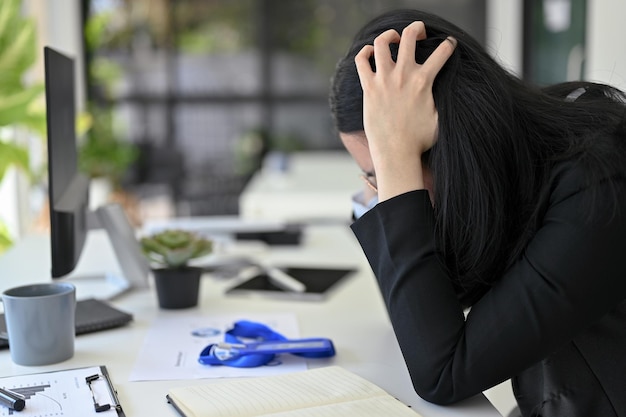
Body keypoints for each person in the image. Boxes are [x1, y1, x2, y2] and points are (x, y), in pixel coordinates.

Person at [329, 8, 626, 417]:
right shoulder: (517, 168)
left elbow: (443, 373)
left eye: (380, 173)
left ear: (447, 144)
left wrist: (396, 164)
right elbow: (422, 318)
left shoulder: (597, 182)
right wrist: (394, 168)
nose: (379, 192)